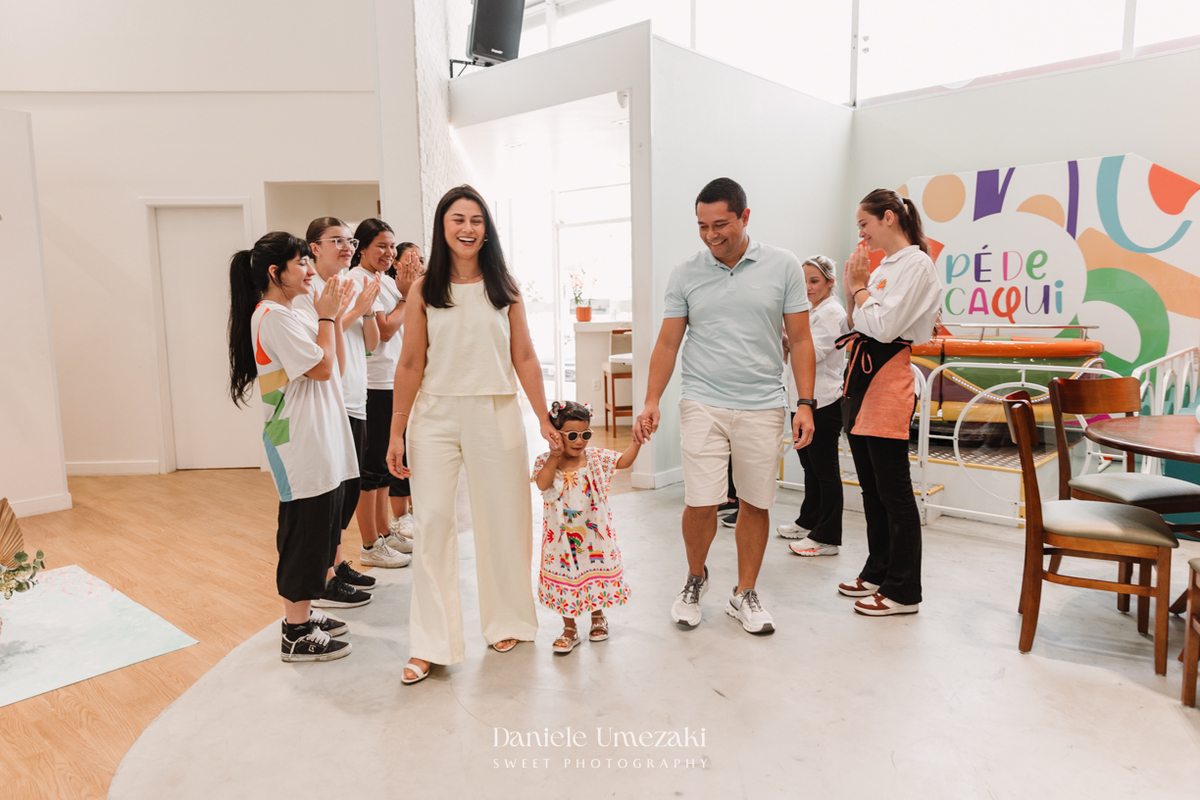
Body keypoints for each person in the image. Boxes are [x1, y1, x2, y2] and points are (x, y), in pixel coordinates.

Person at [387, 184, 559, 685]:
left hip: (496, 410)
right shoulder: (424, 289)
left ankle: (506, 620)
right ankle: (430, 643)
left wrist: (544, 417)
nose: (467, 228)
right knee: (434, 523)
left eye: (476, 220)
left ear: (488, 229)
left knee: (503, 519)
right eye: (457, 219)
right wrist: (397, 431)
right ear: (443, 227)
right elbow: (411, 362)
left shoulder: (504, 285)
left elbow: (523, 357)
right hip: (435, 416)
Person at [633, 177, 817, 635]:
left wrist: (805, 404)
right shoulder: (686, 273)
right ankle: (695, 579)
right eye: (702, 226)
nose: (711, 235)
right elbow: (668, 342)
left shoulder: (784, 266)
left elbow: (800, 338)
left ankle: (745, 592)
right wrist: (652, 399)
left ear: (745, 217)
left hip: (762, 403)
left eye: (721, 224)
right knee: (701, 500)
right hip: (703, 400)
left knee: (755, 501)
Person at [226, 231, 356, 662]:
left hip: (315, 435)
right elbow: (320, 368)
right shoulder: (272, 316)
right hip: (296, 442)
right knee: (303, 533)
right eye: (301, 263)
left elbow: (326, 362)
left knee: (320, 529)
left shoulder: (290, 311)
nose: (308, 270)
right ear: (274, 272)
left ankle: (304, 615)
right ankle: (295, 632)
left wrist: (327, 317)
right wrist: (327, 318)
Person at [836, 189, 941, 616]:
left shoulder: (917, 264)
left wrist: (860, 289)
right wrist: (855, 290)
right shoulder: (884, 267)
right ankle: (878, 568)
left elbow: (882, 326)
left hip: (887, 376)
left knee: (893, 490)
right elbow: (855, 321)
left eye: (864, 224)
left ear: (889, 218)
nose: (861, 233)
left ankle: (903, 590)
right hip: (860, 376)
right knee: (871, 487)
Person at [300, 218, 409, 613]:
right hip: (332, 399)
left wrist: (363, 312)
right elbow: (317, 342)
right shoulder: (310, 289)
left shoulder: (349, 283)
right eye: (338, 240)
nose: (346, 246)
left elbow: (371, 342)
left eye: (349, 240)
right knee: (340, 492)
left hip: (355, 393)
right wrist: (354, 311)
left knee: (347, 490)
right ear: (314, 247)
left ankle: (337, 566)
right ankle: (326, 576)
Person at [533, 401, 644, 654]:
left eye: (585, 434)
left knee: (592, 573)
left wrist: (636, 440)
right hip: (560, 541)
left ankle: (597, 617)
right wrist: (554, 455)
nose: (579, 441)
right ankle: (569, 628)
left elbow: (624, 462)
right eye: (572, 435)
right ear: (556, 435)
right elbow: (542, 484)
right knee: (568, 579)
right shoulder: (546, 462)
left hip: (594, 536)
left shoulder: (595, 459)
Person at [349, 222, 420, 558]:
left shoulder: (386, 281)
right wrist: (407, 296)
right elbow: (387, 331)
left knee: (382, 466)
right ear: (361, 248)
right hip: (373, 383)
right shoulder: (358, 280)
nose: (389, 253)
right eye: (381, 246)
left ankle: (383, 532)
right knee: (372, 468)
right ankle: (369, 544)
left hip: (391, 382)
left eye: (391, 246)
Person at [778, 255, 850, 556]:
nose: (807, 287)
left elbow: (812, 352)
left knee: (824, 469)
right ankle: (809, 520)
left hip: (824, 400)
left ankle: (828, 536)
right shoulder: (810, 310)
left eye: (815, 281)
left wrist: (787, 339)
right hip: (802, 399)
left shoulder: (832, 313)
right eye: (804, 281)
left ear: (830, 282)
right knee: (809, 465)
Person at [384, 243, 423, 543]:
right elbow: (388, 331)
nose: (418, 264)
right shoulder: (390, 289)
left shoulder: (425, 291)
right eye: (411, 259)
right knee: (401, 451)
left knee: (416, 450)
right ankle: (400, 517)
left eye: (422, 259)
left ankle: (412, 511)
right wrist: (405, 296)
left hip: (424, 384)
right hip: (391, 380)